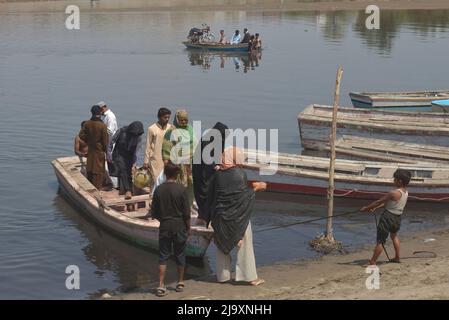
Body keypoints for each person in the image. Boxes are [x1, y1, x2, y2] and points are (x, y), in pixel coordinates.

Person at [206, 147, 266, 286]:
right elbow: (242, 198)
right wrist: (257, 188)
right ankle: (249, 277)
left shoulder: (217, 175)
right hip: (239, 217)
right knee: (245, 245)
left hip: (220, 216)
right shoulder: (240, 174)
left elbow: (212, 195)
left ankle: (222, 276)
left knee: (221, 245)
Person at [151, 162, 191, 297]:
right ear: (177, 174)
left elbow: (154, 212)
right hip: (179, 226)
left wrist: (163, 220)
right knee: (180, 254)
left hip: (165, 226)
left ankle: (161, 285)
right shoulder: (181, 189)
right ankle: (180, 282)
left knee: (163, 256)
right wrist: (188, 228)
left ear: (165, 174)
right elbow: (186, 213)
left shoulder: (159, 190)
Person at [360, 169, 411, 266]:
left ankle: (373, 262)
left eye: (395, 179)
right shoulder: (405, 192)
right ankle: (397, 257)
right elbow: (388, 204)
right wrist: (375, 208)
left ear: (400, 180)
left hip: (388, 217)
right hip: (397, 217)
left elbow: (379, 202)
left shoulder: (393, 193)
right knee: (394, 236)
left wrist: (366, 208)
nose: (393, 180)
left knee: (380, 240)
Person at [192, 122, 229, 224]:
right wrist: (215, 166)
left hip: (210, 173)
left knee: (211, 195)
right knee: (205, 193)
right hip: (202, 172)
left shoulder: (217, 140)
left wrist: (219, 164)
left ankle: (206, 217)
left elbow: (218, 155)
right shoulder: (207, 140)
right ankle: (203, 218)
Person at [162, 110, 196, 207]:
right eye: (181, 120)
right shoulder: (171, 131)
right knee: (177, 185)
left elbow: (195, 144)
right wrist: (166, 161)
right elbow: (166, 147)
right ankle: (174, 206)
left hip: (189, 164)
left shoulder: (190, 129)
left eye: (185, 120)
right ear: (177, 120)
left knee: (190, 185)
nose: (184, 122)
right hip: (176, 165)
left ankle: (187, 205)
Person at [107, 121, 144, 200]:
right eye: (134, 134)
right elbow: (111, 142)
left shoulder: (138, 137)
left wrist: (135, 163)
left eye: (137, 135)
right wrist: (109, 154)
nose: (135, 136)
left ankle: (125, 190)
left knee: (128, 173)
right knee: (122, 169)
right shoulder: (121, 131)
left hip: (129, 155)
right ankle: (128, 190)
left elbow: (137, 151)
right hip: (118, 154)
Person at [78, 106, 109, 190]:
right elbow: (105, 142)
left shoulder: (87, 123)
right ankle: (97, 189)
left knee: (90, 169)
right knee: (98, 171)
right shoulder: (102, 126)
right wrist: (107, 153)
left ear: (92, 113)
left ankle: (90, 187)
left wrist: (89, 141)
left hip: (91, 150)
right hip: (99, 151)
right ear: (100, 113)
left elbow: (81, 135)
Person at [143, 107, 172, 190]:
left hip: (167, 158)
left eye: (168, 117)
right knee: (155, 180)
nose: (167, 119)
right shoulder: (152, 129)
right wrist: (146, 161)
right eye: (165, 117)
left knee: (166, 180)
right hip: (155, 159)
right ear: (159, 117)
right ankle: (153, 199)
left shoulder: (171, 128)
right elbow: (148, 145)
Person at [97, 101, 118, 188]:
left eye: (99, 111)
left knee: (111, 163)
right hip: (107, 143)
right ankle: (111, 182)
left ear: (102, 108)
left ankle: (115, 184)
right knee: (109, 163)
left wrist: (99, 131)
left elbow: (110, 131)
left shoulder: (110, 116)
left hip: (111, 143)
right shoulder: (106, 116)